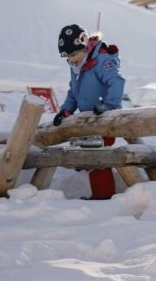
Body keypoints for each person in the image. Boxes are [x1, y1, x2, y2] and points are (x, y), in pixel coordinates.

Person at [53, 24, 125, 199]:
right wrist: (66, 111)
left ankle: (104, 196)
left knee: (97, 157)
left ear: (84, 47)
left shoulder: (102, 60)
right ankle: (98, 193)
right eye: (67, 56)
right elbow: (74, 91)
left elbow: (117, 82)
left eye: (74, 54)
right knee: (90, 155)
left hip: (105, 117)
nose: (71, 60)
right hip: (89, 119)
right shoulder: (77, 66)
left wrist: (108, 105)